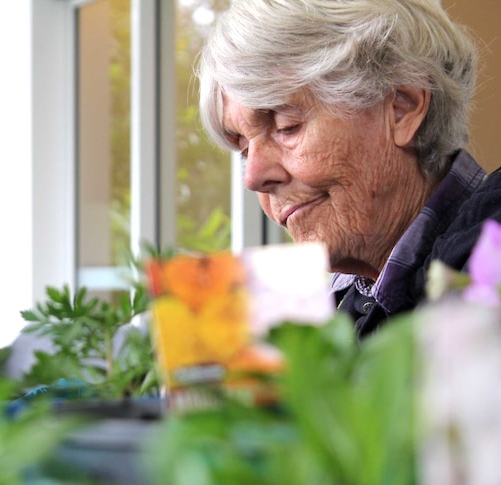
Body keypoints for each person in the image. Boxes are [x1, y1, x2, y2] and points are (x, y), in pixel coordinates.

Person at [196, 0, 501, 337]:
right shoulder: (343, 309)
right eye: (243, 149)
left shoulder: (489, 274)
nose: (253, 177)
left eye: (286, 126)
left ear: (402, 108)